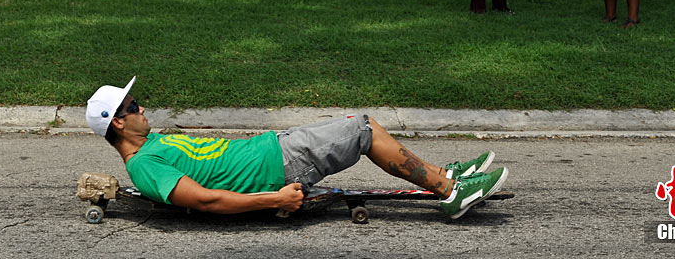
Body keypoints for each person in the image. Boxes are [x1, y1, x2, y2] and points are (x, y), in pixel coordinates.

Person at [86, 77, 509, 219]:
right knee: (361, 128)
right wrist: (275, 199)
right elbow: (205, 200)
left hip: (276, 149)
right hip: (282, 168)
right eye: (133, 106)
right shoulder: (144, 164)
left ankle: (445, 176)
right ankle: (449, 191)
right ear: (118, 123)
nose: (142, 107)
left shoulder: (152, 141)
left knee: (359, 123)